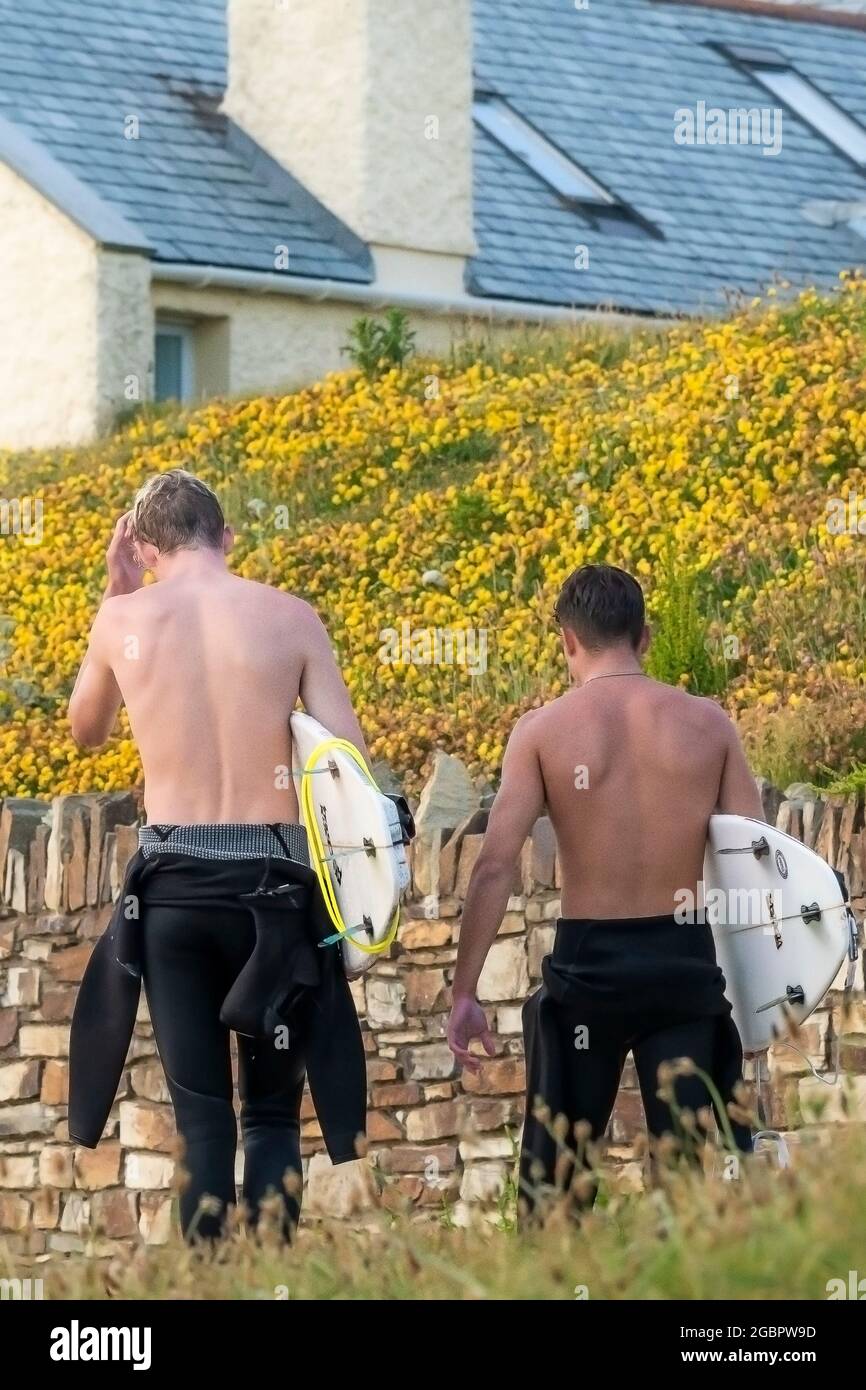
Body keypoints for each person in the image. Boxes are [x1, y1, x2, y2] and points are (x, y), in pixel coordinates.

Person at [67, 470, 368, 1241]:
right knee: (271, 1114)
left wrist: (117, 592)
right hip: (274, 896)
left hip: (173, 901)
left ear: (144, 546)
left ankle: (205, 1294)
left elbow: (86, 730)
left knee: (204, 1123)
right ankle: (273, 1282)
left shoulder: (122, 620)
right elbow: (347, 760)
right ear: (227, 538)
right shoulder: (291, 618)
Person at [447, 563, 757, 1215]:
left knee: (555, 1188)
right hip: (683, 968)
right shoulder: (709, 725)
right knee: (695, 1187)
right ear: (644, 637)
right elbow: (756, 863)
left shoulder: (541, 732)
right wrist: (762, 1001)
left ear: (567, 641)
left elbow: (495, 866)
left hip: (587, 973)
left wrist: (465, 991)